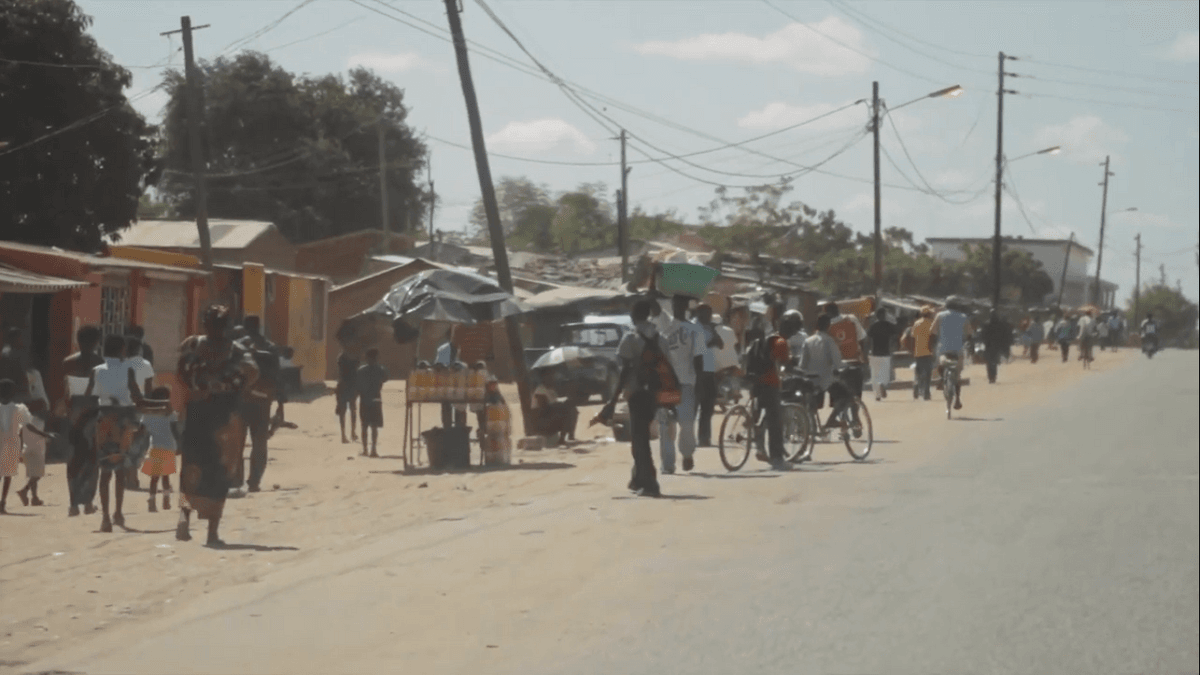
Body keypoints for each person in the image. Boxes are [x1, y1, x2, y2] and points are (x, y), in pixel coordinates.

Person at [175, 305, 260, 547]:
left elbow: (181, 374)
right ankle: (212, 533)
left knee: (191, 468)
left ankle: (184, 517)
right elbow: (252, 372)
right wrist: (231, 385)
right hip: (224, 417)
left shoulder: (191, 345)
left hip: (197, 413)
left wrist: (199, 388)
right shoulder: (237, 350)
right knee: (220, 472)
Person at [598, 299, 671, 497]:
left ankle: (650, 483)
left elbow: (624, 371)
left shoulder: (630, 339)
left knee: (640, 440)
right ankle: (638, 478)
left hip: (637, 393)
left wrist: (613, 401)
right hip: (655, 394)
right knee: (642, 436)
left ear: (633, 316)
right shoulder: (661, 339)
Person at [85, 334, 155, 533]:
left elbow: (89, 396)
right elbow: (137, 396)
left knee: (105, 470)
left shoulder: (96, 370)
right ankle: (118, 512)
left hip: (103, 420)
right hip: (124, 420)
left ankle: (105, 517)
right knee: (121, 469)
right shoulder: (128, 369)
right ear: (122, 350)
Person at [652, 294, 704, 474]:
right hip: (666, 384)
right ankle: (668, 464)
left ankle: (687, 453)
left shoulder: (694, 329)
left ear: (686, 306)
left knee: (687, 424)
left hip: (686, 383)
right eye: (675, 303)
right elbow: (653, 302)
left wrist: (700, 382)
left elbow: (699, 358)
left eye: (680, 303)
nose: (677, 306)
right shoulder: (666, 323)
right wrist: (652, 279)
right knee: (666, 425)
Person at [60, 325, 104, 516]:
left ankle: (73, 504)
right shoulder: (99, 362)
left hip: (74, 413)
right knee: (92, 459)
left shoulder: (68, 362)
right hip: (93, 413)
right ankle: (88, 502)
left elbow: (65, 391)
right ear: (96, 341)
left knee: (74, 458)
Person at [235, 316, 282, 492]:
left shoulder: (237, 347)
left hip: (240, 401)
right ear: (259, 327)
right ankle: (254, 482)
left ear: (245, 328)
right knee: (259, 443)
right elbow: (278, 377)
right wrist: (281, 404)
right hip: (263, 401)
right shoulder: (270, 347)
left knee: (237, 443)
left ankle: (237, 480)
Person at [1, 379, 56, 514]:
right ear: (13, 393)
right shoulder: (19, 408)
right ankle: (2, 503)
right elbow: (29, 425)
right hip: (11, 443)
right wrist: (44, 434)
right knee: (7, 475)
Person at [797, 314, 850, 429]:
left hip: (810, 379)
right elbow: (837, 362)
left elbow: (802, 364)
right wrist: (847, 365)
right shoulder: (829, 341)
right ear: (828, 326)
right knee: (845, 396)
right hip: (825, 380)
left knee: (812, 401)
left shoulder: (807, 341)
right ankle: (831, 420)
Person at [13, 365, 51, 507]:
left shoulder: (33, 373)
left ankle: (34, 496)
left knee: (35, 464)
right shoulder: (29, 376)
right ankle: (25, 490)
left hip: (37, 420)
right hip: (35, 421)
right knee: (38, 464)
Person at [122, 336, 155, 490]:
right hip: (142, 407)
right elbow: (149, 390)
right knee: (142, 441)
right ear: (140, 349)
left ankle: (129, 474)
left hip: (125, 408)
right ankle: (132, 474)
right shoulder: (147, 364)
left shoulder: (123, 364)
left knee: (127, 441)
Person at [140, 386, 180, 512]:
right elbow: (175, 431)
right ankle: (166, 501)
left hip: (155, 447)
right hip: (169, 447)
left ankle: (151, 501)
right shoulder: (171, 414)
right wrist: (180, 444)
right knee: (166, 476)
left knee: (154, 477)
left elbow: (142, 431)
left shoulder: (147, 415)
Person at [692, 303, 725, 448]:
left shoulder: (710, 328)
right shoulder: (693, 327)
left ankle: (704, 438)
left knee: (708, 406)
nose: (707, 316)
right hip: (696, 371)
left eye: (709, 313)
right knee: (693, 405)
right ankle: (688, 437)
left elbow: (721, 344)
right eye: (705, 313)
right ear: (698, 313)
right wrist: (709, 343)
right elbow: (694, 350)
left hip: (710, 370)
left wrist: (714, 332)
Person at [931, 298, 970, 411]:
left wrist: (932, 346)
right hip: (958, 350)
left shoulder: (940, 315)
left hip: (943, 349)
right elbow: (969, 334)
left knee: (939, 365)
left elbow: (932, 332)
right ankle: (957, 398)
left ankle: (942, 379)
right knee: (957, 376)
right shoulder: (963, 317)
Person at [531, 369, 578, 447]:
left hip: (551, 417)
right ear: (543, 378)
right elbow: (543, 409)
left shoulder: (551, 390)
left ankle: (570, 436)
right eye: (550, 377)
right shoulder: (540, 390)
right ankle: (562, 439)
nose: (552, 378)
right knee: (566, 412)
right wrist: (558, 405)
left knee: (572, 409)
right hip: (542, 421)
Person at [356, 348, 389, 457]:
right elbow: (385, 379)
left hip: (364, 400)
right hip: (376, 399)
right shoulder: (381, 370)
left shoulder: (361, 370)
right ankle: (373, 449)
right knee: (374, 426)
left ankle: (365, 449)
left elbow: (358, 386)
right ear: (377, 358)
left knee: (364, 425)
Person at [866, 308, 897, 402]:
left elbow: (868, 338)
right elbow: (895, 335)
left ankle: (877, 395)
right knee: (884, 374)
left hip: (875, 353)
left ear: (877, 316)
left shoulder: (873, 326)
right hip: (886, 352)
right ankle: (882, 384)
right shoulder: (888, 325)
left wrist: (867, 350)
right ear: (884, 315)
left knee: (875, 375)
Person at [905, 306, 936, 400]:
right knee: (928, 373)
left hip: (918, 352)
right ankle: (926, 392)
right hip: (928, 352)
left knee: (918, 372)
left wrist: (912, 350)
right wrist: (932, 349)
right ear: (929, 314)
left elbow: (912, 338)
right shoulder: (931, 323)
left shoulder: (916, 324)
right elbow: (932, 338)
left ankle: (916, 385)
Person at [335, 346, 361, 444]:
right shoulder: (355, 357)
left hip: (342, 385)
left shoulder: (341, 357)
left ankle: (343, 435)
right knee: (352, 409)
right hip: (352, 386)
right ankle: (352, 433)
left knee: (343, 411)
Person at [981, 309, 1009, 384]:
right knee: (995, 362)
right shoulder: (1000, 324)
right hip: (996, 346)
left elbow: (983, 335)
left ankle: (991, 377)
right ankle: (993, 377)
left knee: (989, 362)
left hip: (989, 346)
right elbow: (1004, 335)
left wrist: (984, 342)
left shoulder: (986, 324)